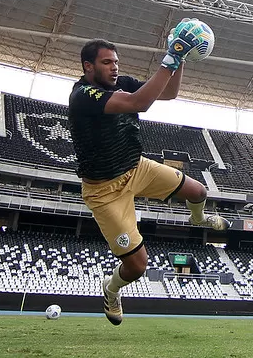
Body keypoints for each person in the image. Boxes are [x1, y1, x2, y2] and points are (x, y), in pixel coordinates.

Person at [68, 24, 230, 325]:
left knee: (199, 193)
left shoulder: (121, 82)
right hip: (105, 190)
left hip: (136, 167)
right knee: (138, 266)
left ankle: (197, 219)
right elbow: (138, 103)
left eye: (116, 62)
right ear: (88, 67)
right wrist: (172, 55)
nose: (115, 68)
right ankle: (111, 288)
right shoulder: (83, 95)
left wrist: (179, 60)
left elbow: (168, 93)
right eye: (107, 63)